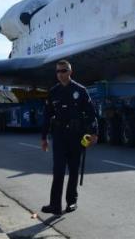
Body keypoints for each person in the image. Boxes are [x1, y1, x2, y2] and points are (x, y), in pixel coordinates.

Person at [40, 60, 98, 215]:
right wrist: (43, 137)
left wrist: (94, 133)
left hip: (75, 135)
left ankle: (71, 202)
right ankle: (55, 205)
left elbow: (91, 113)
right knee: (58, 170)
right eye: (58, 71)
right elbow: (47, 116)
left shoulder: (80, 90)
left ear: (70, 72)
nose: (60, 74)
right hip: (59, 136)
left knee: (73, 170)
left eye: (63, 71)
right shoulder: (53, 92)